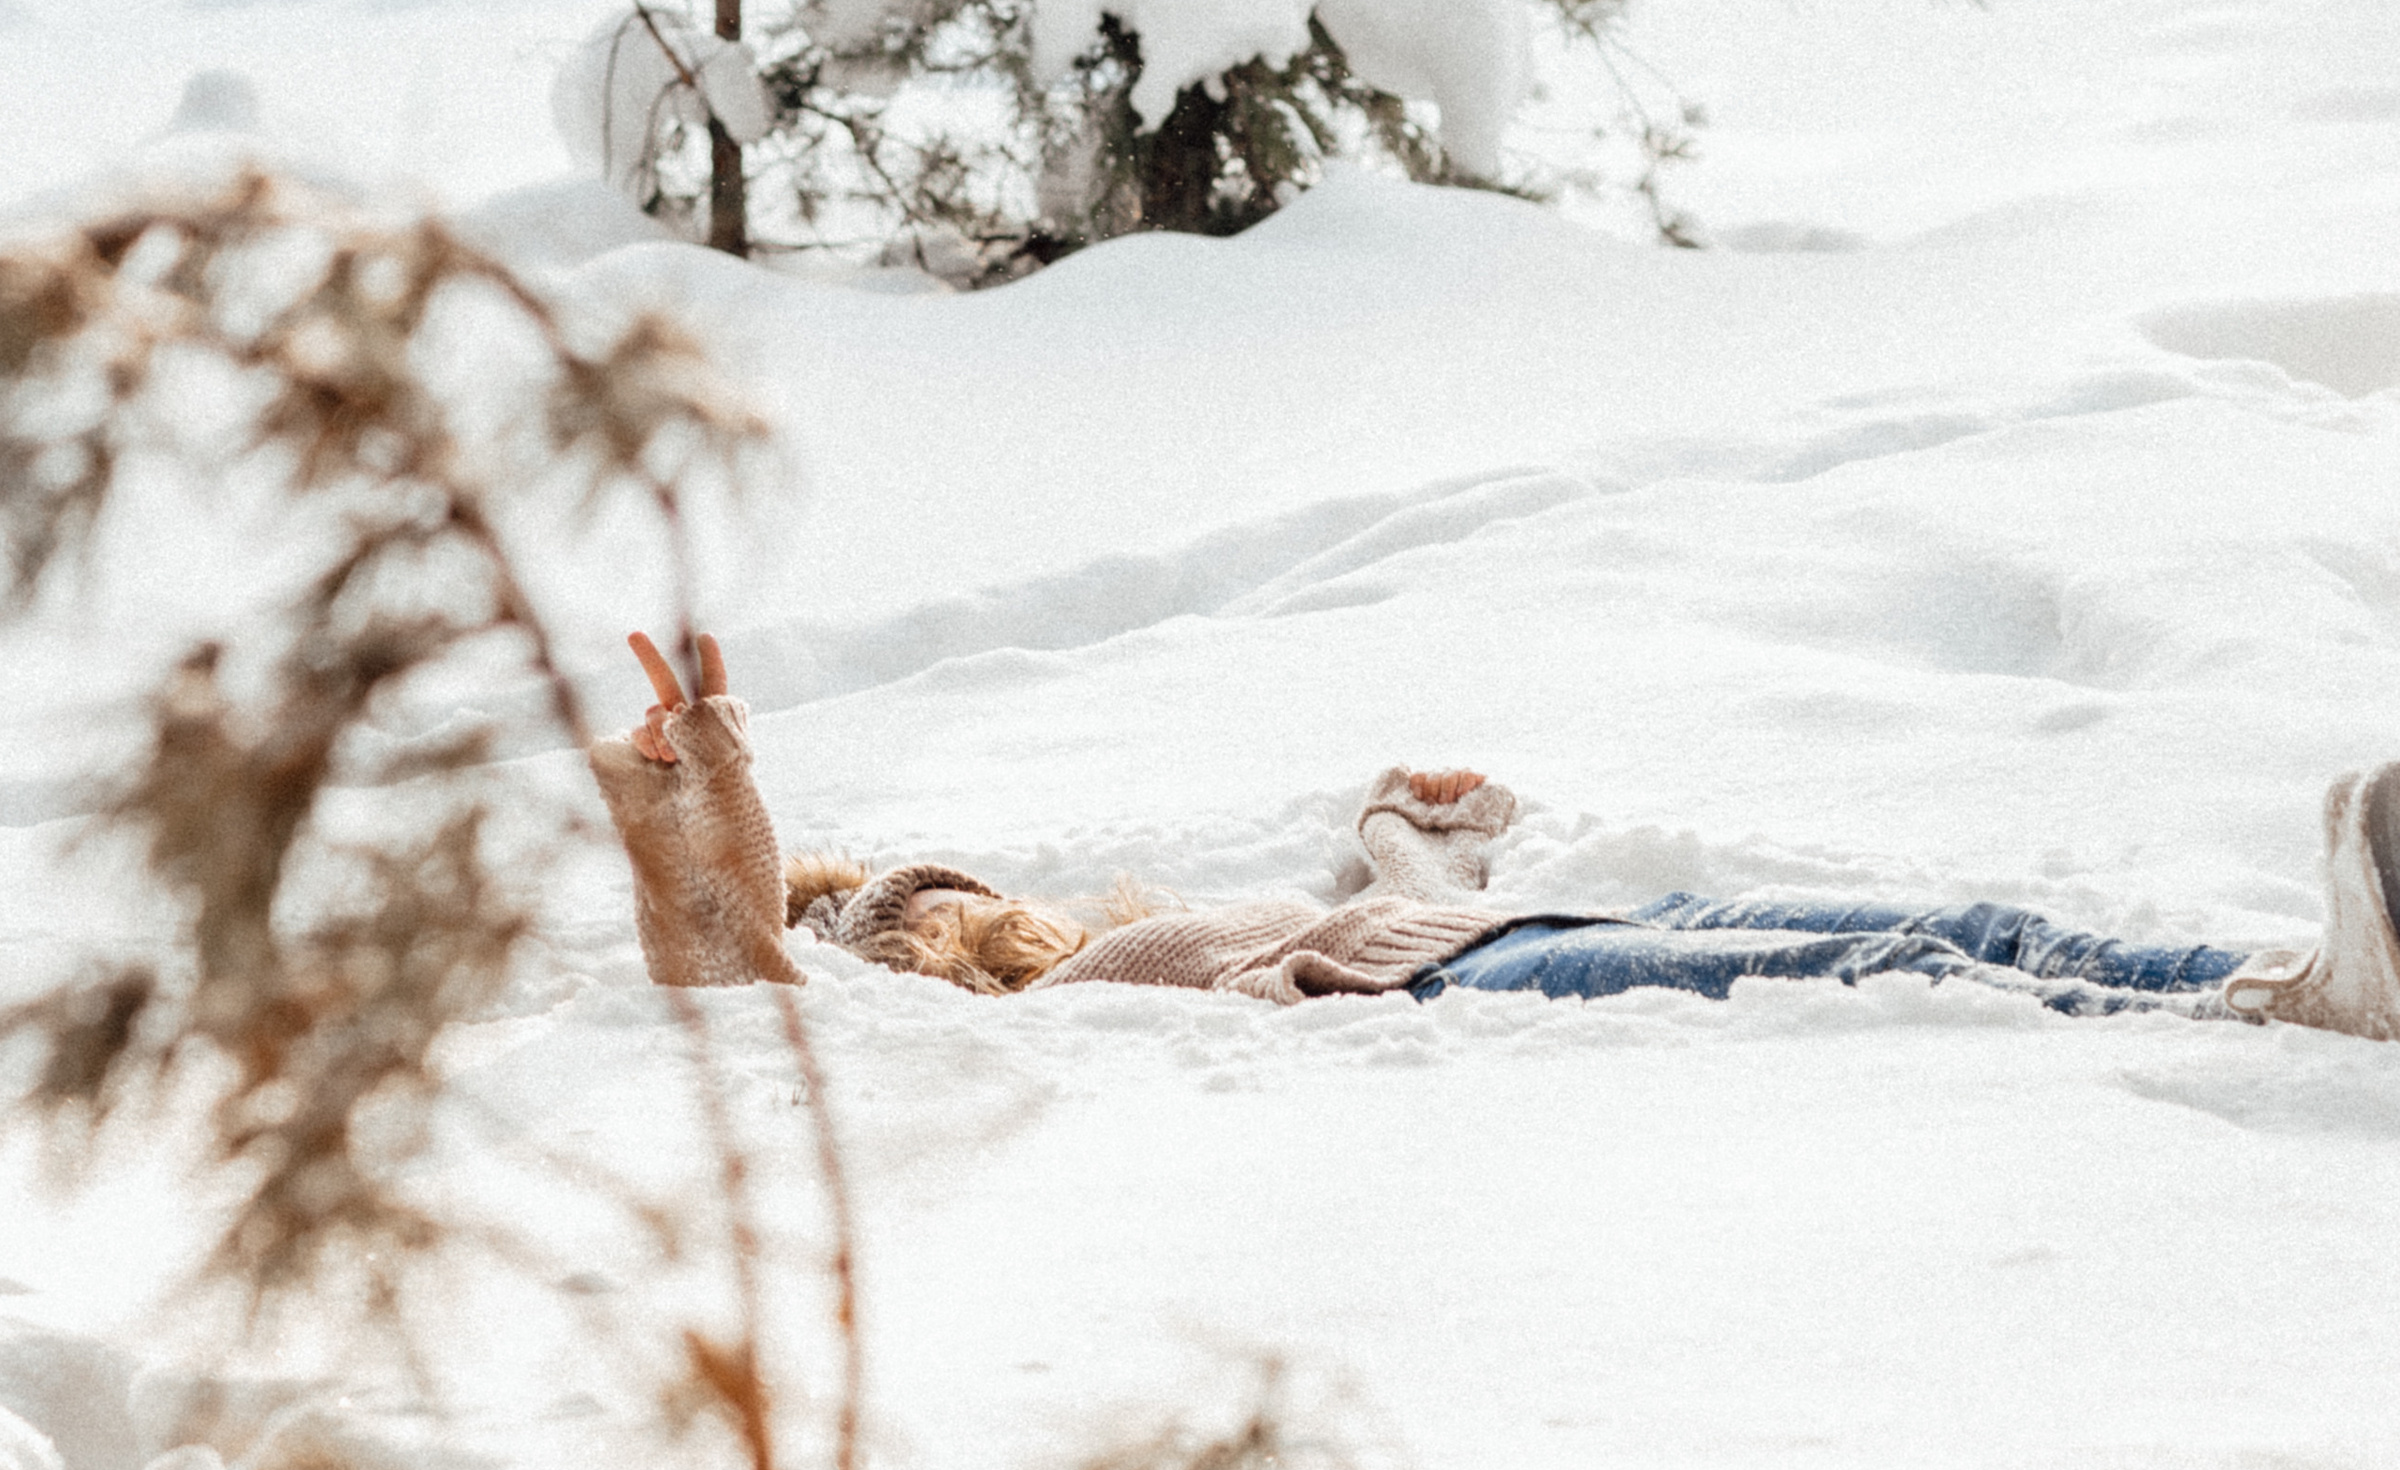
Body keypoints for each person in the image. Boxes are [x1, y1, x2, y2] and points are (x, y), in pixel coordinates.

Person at [587, 630, 2400, 1041]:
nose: (954, 903)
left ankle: (2291, 966)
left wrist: (1399, 821)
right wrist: (720, 789)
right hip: (1507, 976)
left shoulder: (1136, 947)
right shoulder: (1061, 1032)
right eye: (911, 904)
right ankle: (2284, 1008)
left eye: (941, 879)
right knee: (1893, 969)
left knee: (1980, 921)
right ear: (896, 955)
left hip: (1537, 918)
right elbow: (737, 978)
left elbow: (1377, 895)